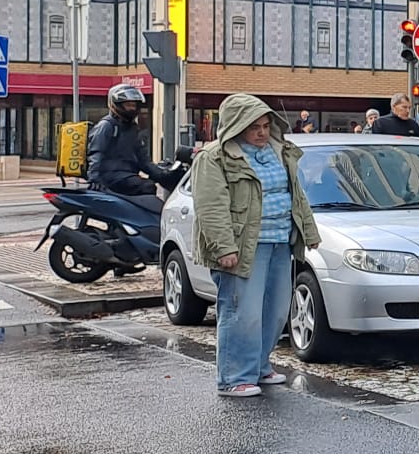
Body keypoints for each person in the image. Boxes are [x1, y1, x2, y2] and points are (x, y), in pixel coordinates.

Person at [190, 95, 319, 399]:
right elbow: (210, 206)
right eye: (254, 127)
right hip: (244, 246)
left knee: (275, 311)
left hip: (279, 241)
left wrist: (308, 231)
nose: (262, 132)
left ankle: (259, 365)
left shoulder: (278, 151)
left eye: (265, 125)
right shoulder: (215, 158)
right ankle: (234, 377)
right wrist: (224, 247)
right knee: (241, 312)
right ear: (236, 126)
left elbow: (295, 194)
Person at [86, 83, 169, 202]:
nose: (132, 109)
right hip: (111, 176)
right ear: (116, 104)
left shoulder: (132, 128)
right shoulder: (107, 125)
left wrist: (162, 174)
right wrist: (94, 179)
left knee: (149, 185)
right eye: (128, 105)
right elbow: (96, 153)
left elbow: (143, 159)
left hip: (126, 175)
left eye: (134, 105)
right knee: (147, 187)